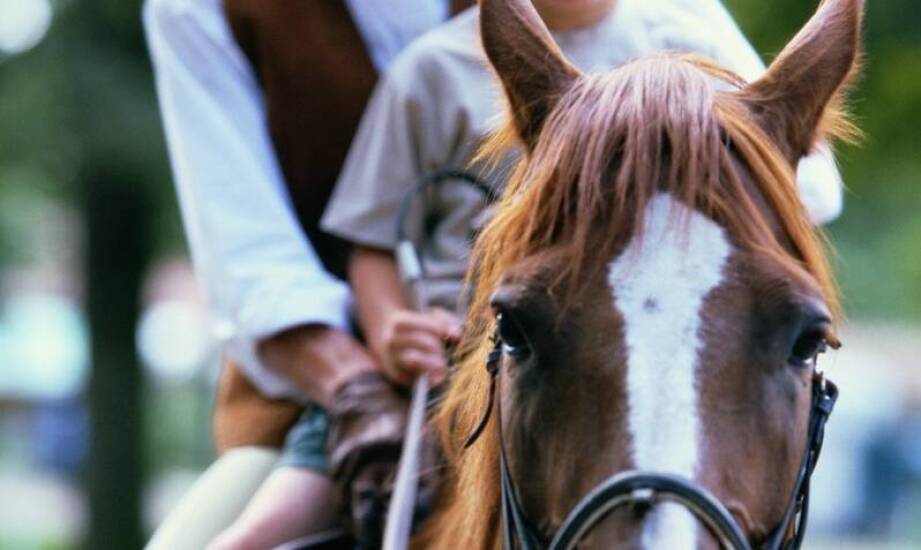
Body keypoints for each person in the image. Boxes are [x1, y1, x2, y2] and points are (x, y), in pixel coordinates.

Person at [321, 0, 845, 388]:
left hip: (651, 352)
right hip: (449, 363)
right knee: (327, 467)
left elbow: (796, 189)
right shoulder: (433, 70)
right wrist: (390, 325)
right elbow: (374, 240)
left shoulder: (691, 42)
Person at [142, 1, 473, 548]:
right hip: (322, 386)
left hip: (544, 358)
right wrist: (358, 394)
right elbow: (250, 257)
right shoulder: (201, 10)